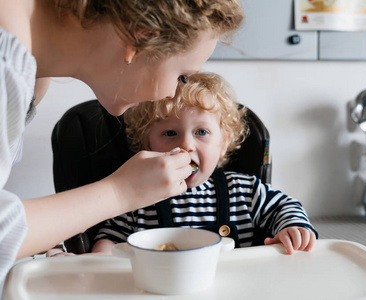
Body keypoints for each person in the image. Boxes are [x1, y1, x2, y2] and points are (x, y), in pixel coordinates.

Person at [0, 0, 244, 291]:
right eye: (181, 76)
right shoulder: (7, 56)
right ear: (140, 38)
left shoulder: (35, 78)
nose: (171, 93)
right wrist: (120, 192)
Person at [89, 72, 317, 256]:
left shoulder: (244, 190)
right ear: (147, 145)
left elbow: (284, 206)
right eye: (170, 133)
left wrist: (293, 228)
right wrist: (98, 260)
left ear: (223, 143)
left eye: (201, 132)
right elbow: (108, 241)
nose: (186, 145)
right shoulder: (136, 195)